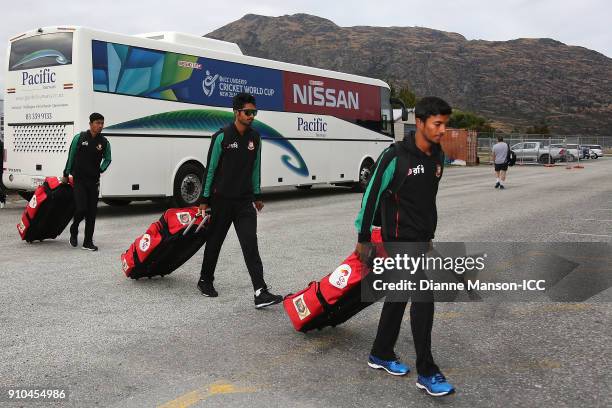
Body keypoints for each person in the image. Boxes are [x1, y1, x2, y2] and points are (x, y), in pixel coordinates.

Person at [355, 97, 455, 397]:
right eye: (437, 124)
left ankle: (380, 352)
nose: (442, 130)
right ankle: (427, 370)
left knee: (398, 297)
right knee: (424, 297)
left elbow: (425, 202)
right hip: (397, 240)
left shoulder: (437, 157)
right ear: (420, 122)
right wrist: (363, 237)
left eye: (445, 125)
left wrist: (428, 236)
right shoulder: (395, 155)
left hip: (421, 240)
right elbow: (372, 195)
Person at [197, 93, 282, 309]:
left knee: (250, 245)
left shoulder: (255, 138)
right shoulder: (222, 137)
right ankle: (205, 280)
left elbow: (256, 168)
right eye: (248, 112)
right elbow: (211, 169)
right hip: (221, 201)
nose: (252, 116)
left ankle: (260, 292)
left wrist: (257, 195)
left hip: (244, 202)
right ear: (236, 113)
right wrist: (204, 200)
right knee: (215, 242)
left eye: (254, 112)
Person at [62, 113, 111, 251]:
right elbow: (71, 156)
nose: (100, 125)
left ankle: (87, 242)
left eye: (102, 123)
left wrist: (100, 170)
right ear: (90, 124)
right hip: (79, 180)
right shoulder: (79, 138)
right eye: (97, 123)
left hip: (93, 182)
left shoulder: (104, 142)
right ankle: (74, 227)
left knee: (92, 213)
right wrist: (66, 173)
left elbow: (108, 158)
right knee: (81, 209)